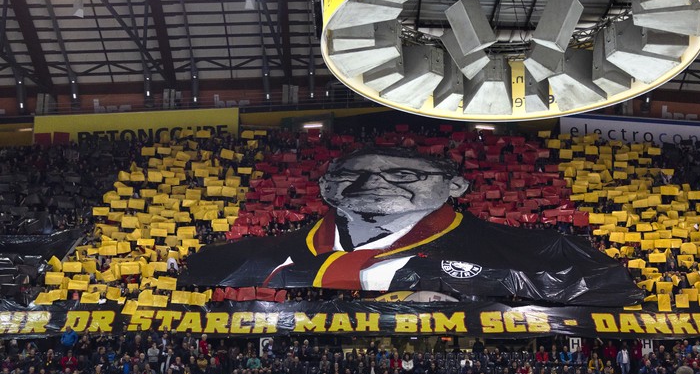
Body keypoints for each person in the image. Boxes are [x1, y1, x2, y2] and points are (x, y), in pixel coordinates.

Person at [182, 148, 641, 307]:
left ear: (456, 185)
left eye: (404, 175)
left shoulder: (537, 251)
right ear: (325, 186)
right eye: (352, 175)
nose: (374, 184)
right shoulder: (234, 257)